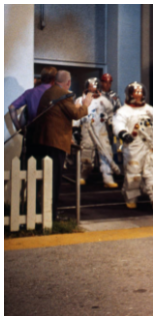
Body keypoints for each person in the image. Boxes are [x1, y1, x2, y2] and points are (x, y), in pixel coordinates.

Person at [26, 70, 93, 219]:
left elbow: (56, 117)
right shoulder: (62, 95)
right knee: (54, 180)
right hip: (54, 143)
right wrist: (86, 104)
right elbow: (75, 114)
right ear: (68, 82)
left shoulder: (50, 92)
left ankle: (40, 212)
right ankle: (51, 215)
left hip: (43, 141)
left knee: (44, 180)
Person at [113, 82, 153, 210]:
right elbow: (118, 124)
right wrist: (123, 133)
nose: (138, 95)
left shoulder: (150, 110)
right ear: (130, 94)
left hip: (150, 144)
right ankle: (130, 197)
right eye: (136, 92)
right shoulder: (123, 111)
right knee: (134, 174)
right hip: (134, 145)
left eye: (140, 92)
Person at [73, 78, 120, 188]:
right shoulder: (81, 100)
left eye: (94, 86)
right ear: (86, 87)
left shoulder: (104, 100)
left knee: (106, 153)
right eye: (90, 86)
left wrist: (113, 126)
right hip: (87, 128)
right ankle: (82, 176)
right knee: (87, 154)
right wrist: (75, 129)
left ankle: (108, 178)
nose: (92, 88)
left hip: (101, 128)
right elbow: (76, 115)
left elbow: (110, 115)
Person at [8, 66, 58, 131]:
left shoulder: (29, 92)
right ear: (54, 79)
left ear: (42, 77)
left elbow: (11, 107)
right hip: (50, 133)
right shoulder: (57, 93)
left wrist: (19, 128)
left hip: (31, 133)